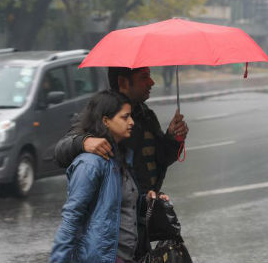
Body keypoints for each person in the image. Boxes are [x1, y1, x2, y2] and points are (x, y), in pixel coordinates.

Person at [54, 66, 188, 259]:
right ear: (124, 82)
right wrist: (83, 142)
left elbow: (159, 158)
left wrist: (172, 138)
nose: (151, 83)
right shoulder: (99, 118)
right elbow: (61, 151)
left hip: (137, 225)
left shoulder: (145, 116)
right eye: (144, 77)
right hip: (109, 241)